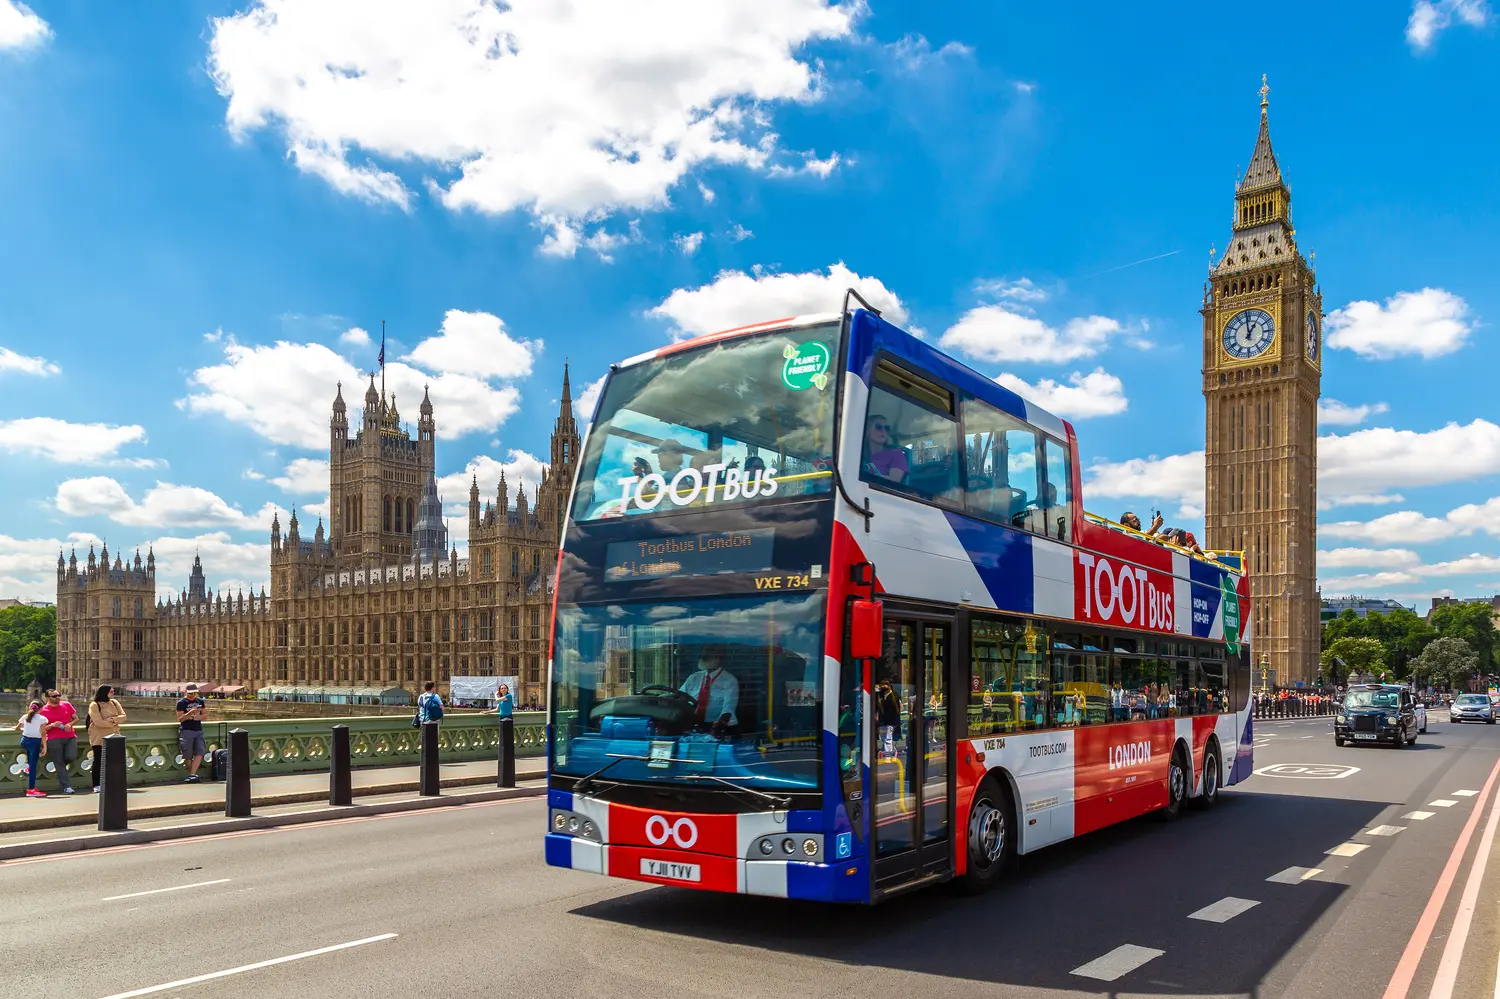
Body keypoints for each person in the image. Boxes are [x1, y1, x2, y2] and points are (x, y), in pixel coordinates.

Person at [679, 647, 739, 733]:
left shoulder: (729, 680)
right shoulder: (694, 677)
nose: (700, 659)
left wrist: (719, 724)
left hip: (718, 726)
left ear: (717, 659)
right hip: (693, 725)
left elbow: (728, 708)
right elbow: (680, 697)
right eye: (701, 656)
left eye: (705, 657)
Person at [39, 689, 79, 794]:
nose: (57, 697)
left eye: (58, 695)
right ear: (47, 698)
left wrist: (69, 724)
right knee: (59, 762)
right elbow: (41, 730)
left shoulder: (66, 705)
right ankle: (66, 787)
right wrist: (52, 725)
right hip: (53, 739)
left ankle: (59, 768)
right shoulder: (42, 711)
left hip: (70, 736)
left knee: (71, 756)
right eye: (54, 696)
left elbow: (76, 718)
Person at [87, 685, 126, 792]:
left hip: (114, 736)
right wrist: (114, 723)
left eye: (113, 691)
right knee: (98, 761)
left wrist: (112, 719)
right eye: (111, 691)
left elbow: (124, 716)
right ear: (104, 692)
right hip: (99, 737)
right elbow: (98, 722)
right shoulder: (94, 705)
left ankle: (112, 783)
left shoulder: (114, 702)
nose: (113, 693)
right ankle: (96, 785)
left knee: (114, 761)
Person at [13, 700, 49, 797]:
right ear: (41, 708)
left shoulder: (25, 717)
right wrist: (45, 747)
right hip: (34, 742)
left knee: (31, 760)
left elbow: (17, 728)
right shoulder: (42, 718)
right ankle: (31, 790)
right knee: (33, 766)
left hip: (24, 741)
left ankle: (28, 767)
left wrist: (26, 729)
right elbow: (43, 734)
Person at [863, 414, 908, 484]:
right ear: (868, 429)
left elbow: (893, 482)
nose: (883, 431)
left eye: (886, 428)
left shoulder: (896, 454)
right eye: (878, 427)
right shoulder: (859, 454)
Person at [176, 683, 207, 783]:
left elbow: (205, 716)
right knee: (187, 756)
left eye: (194, 693)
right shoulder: (181, 703)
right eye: (190, 693)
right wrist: (190, 713)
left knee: (200, 752)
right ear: (186, 692)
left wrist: (195, 717)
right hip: (186, 730)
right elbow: (180, 719)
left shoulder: (200, 701)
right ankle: (192, 775)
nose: (192, 695)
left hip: (198, 730)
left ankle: (192, 775)